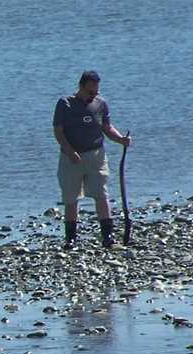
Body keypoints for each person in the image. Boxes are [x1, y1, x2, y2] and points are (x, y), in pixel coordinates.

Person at [53, 70, 131, 248]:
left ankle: (108, 237)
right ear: (81, 86)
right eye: (90, 92)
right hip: (71, 157)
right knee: (71, 197)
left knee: (101, 194)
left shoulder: (100, 103)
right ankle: (71, 238)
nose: (93, 95)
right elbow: (58, 131)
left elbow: (107, 127)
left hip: (96, 155)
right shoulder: (65, 104)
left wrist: (120, 139)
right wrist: (70, 151)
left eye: (95, 92)